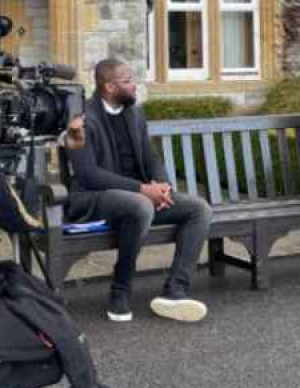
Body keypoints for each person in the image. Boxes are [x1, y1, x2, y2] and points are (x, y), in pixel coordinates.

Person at [64, 58, 212, 322]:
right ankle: (120, 291)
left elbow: (151, 157)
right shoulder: (81, 119)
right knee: (140, 205)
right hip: (94, 200)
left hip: (139, 197)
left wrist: (162, 184)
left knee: (198, 209)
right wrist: (143, 190)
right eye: (128, 81)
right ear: (109, 86)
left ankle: (176, 291)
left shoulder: (135, 113)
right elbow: (89, 174)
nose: (134, 86)